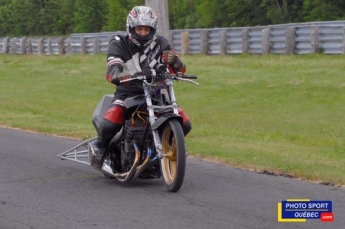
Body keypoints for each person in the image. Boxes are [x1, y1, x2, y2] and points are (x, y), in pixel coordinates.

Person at [91, 6, 192, 169]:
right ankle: (100, 148)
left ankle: (169, 145)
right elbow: (113, 65)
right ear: (131, 28)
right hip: (127, 92)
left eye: (147, 29)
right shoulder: (119, 42)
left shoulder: (161, 43)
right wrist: (116, 74)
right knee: (110, 122)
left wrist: (174, 61)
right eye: (139, 29)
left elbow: (180, 69)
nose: (143, 33)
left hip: (157, 93)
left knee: (185, 123)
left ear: (153, 29)